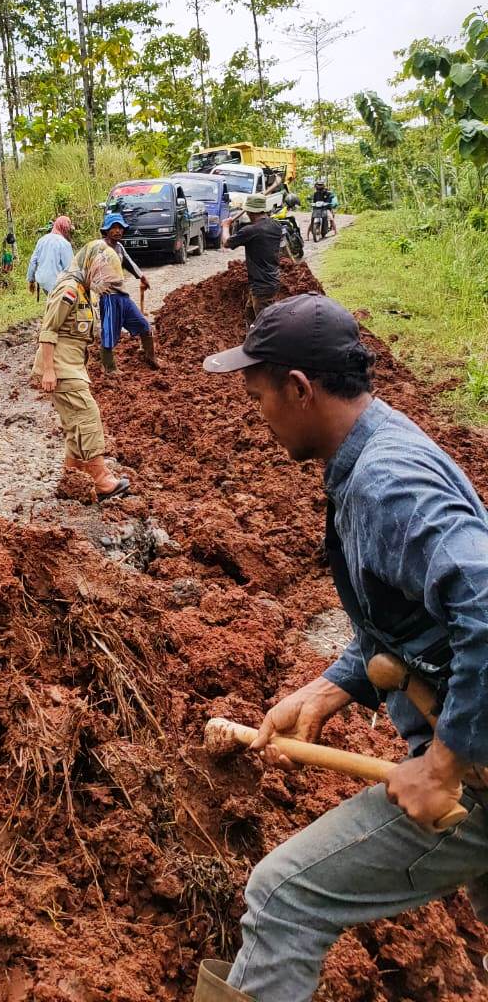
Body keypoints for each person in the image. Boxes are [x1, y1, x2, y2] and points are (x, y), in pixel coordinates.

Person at [196, 293, 488, 1002]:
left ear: (299, 388)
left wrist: (444, 764)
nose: (256, 415)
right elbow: (423, 617)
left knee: (284, 896)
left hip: (478, 770)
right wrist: (334, 684)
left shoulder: (387, 483)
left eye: (258, 396)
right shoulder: (379, 445)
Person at [31, 240, 130, 500]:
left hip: (73, 365)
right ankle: (100, 478)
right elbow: (48, 330)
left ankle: (71, 479)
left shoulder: (83, 289)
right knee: (88, 417)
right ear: (90, 264)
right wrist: (49, 371)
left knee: (75, 423)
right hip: (61, 367)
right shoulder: (69, 289)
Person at [97, 212, 158, 372]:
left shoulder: (119, 247)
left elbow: (129, 263)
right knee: (109, 332)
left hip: (122, 295)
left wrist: (142, 277)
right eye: (114, 228)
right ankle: (109, 369)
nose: (118, 231)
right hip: (108, 296)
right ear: (106, 231)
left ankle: (150, 357)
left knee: (144, 325)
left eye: (120, 228)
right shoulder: (100, 247)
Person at [222, 195, 283, 324]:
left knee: (264, 324)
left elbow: (227, 243)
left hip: (262, 285)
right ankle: (251, 340)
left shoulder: (251, 231)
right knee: (250, 313)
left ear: (249, 212)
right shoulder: (275, 225)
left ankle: (267, 343)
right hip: (272, 281)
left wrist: (225, 226)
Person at [27, 216, 74, 298]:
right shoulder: (64, 244)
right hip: (57, 284)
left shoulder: (42, 240)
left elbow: (33, 262)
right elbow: (70, 268)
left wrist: (31, 280)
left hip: (43, 281)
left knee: (52, 302)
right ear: (65, 228)